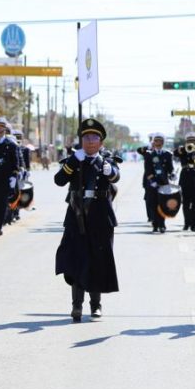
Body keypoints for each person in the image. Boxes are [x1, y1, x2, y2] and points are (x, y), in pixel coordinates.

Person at [54, 119, 120, 322]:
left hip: (100, 216)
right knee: (77, 261)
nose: (90, 141)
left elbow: (116, 177)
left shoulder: (106, 160)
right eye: (86, 137)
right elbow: (59, 180)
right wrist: (74, 161)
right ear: (81, 141)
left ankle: (96, 305)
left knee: (98, 261)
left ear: (101, 142)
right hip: (77, 215)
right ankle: (76, 306)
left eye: (94, 138)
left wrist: (109, 171)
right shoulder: (74, 160)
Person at [137, 133, 174, 233]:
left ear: (163, 143)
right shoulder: (149, 154)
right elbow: (148, 169)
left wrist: (172, 174)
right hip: (152, 183)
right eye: (156, 141)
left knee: (163, 205)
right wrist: (152, 181)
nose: (158, 143)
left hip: (164, 183)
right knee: (153, 204)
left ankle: (162, 224)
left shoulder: (168, 154)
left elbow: (170, 168)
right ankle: (155, 224)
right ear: (153, 142)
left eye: (160, 141)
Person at [174, 132, 195, 232]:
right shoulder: (183, 150)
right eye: (189, 140)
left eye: (193, 140)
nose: (191, 142)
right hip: (185, 178)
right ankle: (187, 223)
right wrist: (183, 148)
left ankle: (194, 225)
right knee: (186, 202)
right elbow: (175, 153)